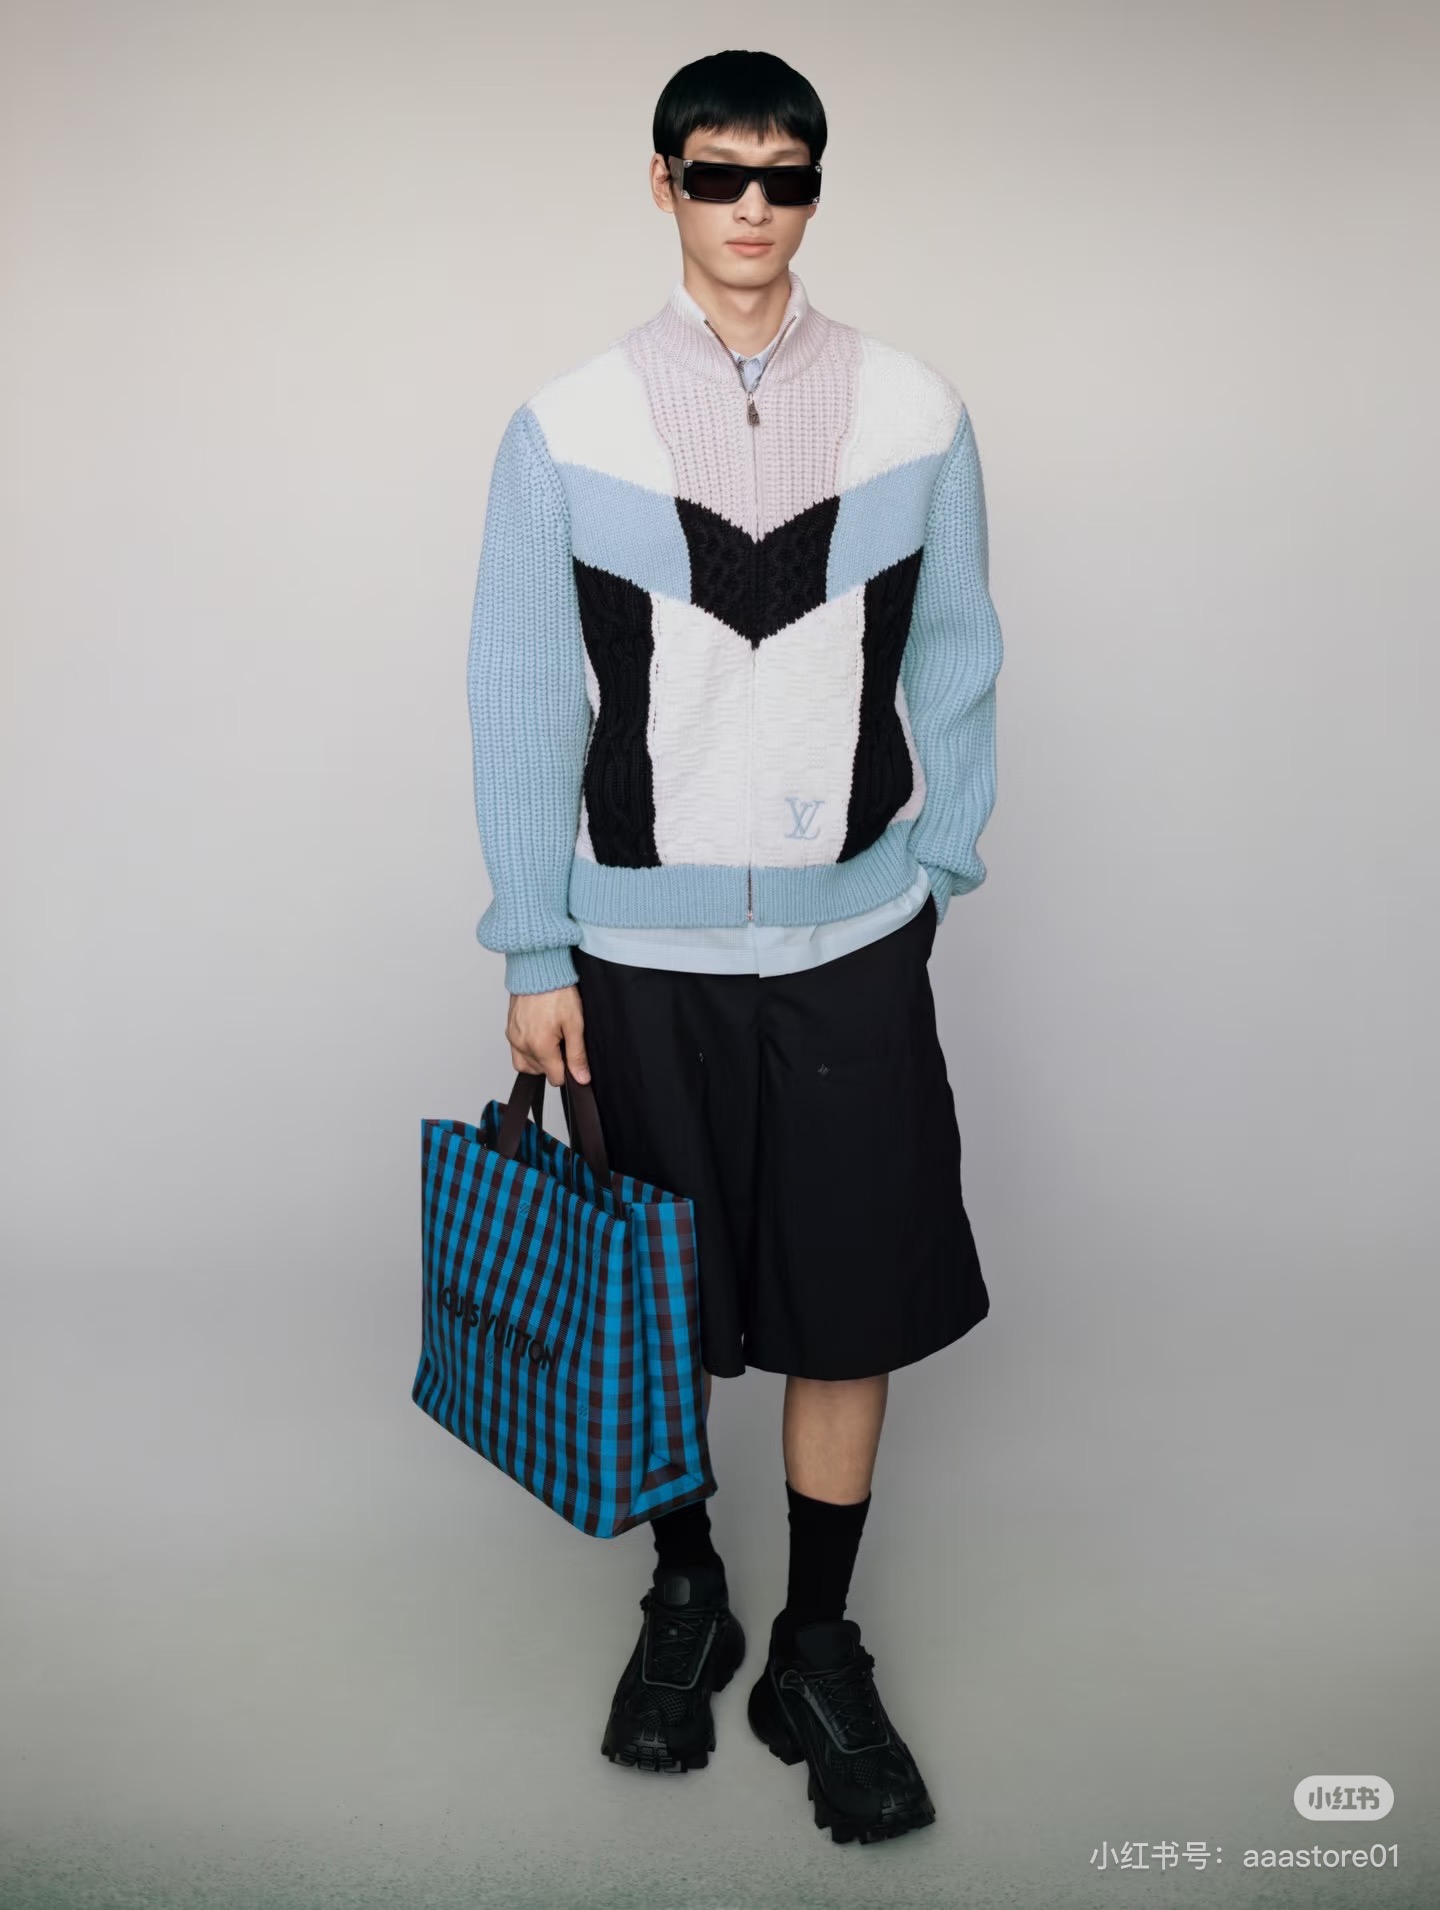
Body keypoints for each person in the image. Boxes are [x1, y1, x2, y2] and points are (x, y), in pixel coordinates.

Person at [465, 47, 1003, 1846]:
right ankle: (685, 1588)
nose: (753, 207)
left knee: (849, 1295)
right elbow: (522, 693)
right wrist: (535, 945)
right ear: (664, 185)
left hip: (855, 939)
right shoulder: (567, 425)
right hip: (633, 954)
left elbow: (962, 645)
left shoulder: (918, 409)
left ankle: (816, 1644)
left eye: (786, 177)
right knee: (652, 1298)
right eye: (718, 175)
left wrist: (937, 858)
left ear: (815, 190)